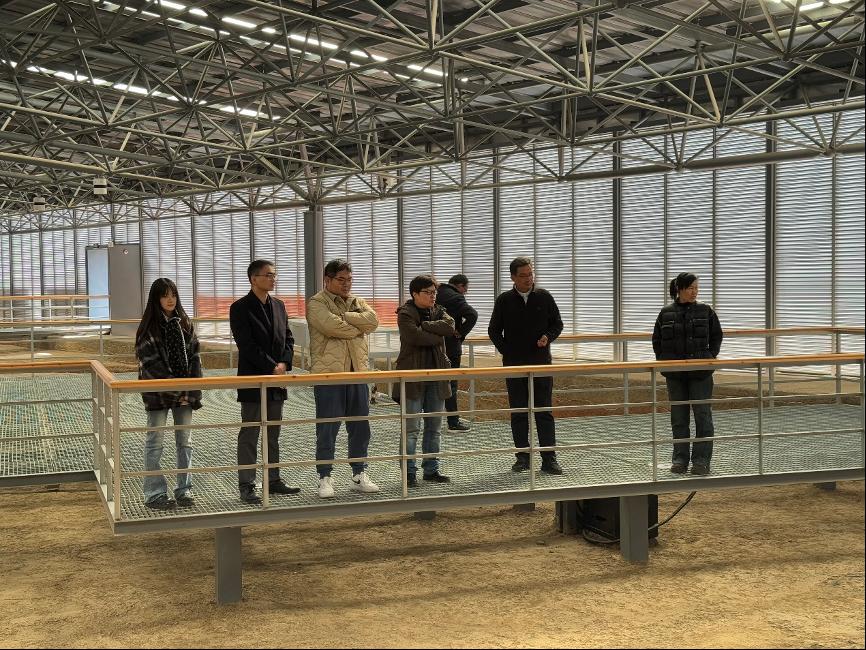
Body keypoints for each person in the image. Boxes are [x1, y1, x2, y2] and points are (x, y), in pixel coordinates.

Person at [307, 259, 381, 499]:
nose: (346, 284)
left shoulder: (357, 301)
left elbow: (373, 321)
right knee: (328, 428)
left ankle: (359, 473)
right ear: (327, 279)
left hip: (358, 373)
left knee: (360, 427)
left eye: (349, 279)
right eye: (341, 279)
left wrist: (346, 317)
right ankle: (324, 477)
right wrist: (358, 326)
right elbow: (332, 327)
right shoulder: (317, 302)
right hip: (329, 375)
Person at [229, 259, 301, 504]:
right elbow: (246, 345)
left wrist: (284, 364)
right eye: (268, 275)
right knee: (250, 432)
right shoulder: (240, 308)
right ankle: (247, 484)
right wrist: (272, 367)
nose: (273, 279)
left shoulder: (279, 305)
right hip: (253, 378)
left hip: (277, 380)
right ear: (253, 279)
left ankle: (273, 479)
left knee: (273, 432)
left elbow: (288, 338)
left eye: (274, 275)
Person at [488, 257, 564, 475]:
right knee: (519, 412)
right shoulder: (504, 300)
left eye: (531, 274)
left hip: (541, 364)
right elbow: (494, 330)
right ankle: (522, 457)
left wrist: (548, 337)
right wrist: (507, 350)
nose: (528, 279)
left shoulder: (544, 296)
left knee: (543, 411)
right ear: (513, 277)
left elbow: (557, 324)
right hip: (514, 365)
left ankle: (549, 458)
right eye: (523, 275)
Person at [135, 278, 202, 511]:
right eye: (165, 295)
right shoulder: (148, 329)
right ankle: (154, 493)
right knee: (155, 442)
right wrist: (177, 391)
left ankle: (184, 490)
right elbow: (151, 366)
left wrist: (190, 391)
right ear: (156, 299)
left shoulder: (184, 323)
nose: (170, 299)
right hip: (159, 394)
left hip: (184, 394)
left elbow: (195, 358)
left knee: (185, 442)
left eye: (173, 294)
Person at [652, 272, 723, 476]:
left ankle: (701, 461)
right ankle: (680, 460)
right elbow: (657, 340)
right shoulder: (666, 313)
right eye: (691, 288)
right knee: (679, 418)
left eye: (696, 288)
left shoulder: (706, 311)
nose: (695, 292)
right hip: (675, 375)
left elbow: (717, 336)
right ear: (680, 289)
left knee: (703, 417)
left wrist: (709, 356)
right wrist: (665, 360)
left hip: (701, 373)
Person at [394, 275, 457, 486]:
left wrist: (426, 325)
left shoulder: (439, 311)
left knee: (434, 427)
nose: (432, 296)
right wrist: (436, 335)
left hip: (437, 377)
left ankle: (431, 469)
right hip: (412, 377)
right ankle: (409, 472)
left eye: (434, 292)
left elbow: (450, 327)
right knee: (411, 428)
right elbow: (414, 337)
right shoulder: (405, 313)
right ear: (415, 294)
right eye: (428, 292)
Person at [435, 273, 478, 433]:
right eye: (465, 289)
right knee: (451, 384)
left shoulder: (435, 293)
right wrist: (460, 333)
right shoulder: (456, 297)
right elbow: (472, 315)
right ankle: (453, 422)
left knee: (431, 383)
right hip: (451, 347)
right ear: (460, 286)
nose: (465, 292)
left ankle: (431, 420)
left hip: (432, 345)